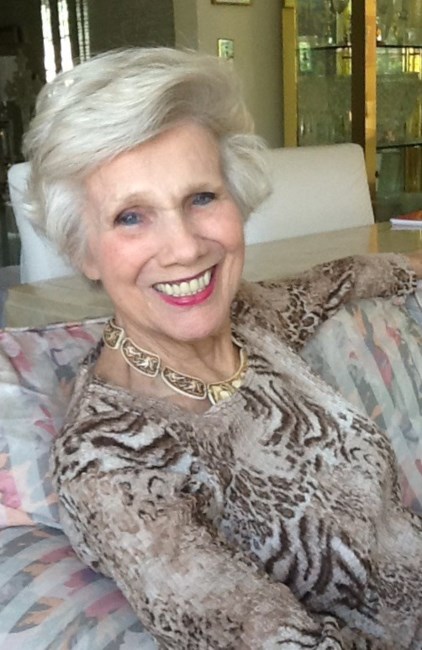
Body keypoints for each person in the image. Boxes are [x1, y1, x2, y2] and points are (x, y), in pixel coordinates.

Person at [23, 47, 422, 649]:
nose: (185, 248)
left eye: (201, 198)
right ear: (84, 251)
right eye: (131, 217)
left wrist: (409, 266)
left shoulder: (249, 321)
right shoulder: (111, 464)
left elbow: (338, 279)